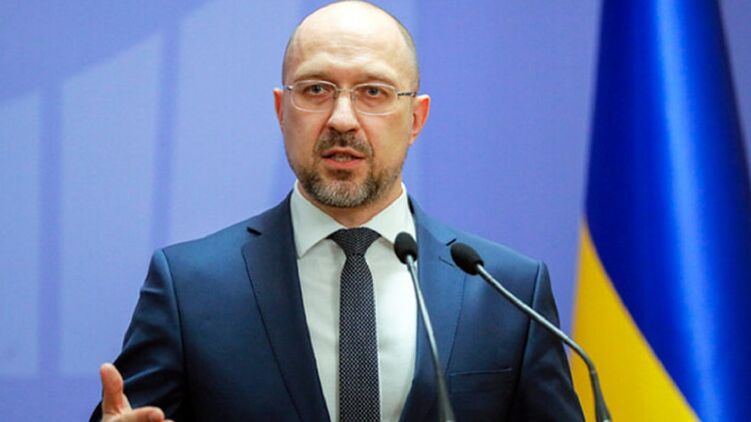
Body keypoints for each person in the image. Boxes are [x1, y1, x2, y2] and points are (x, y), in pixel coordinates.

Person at [92, 1, 584, 421]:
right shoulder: (190, 286)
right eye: (316, 90)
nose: (342, 119)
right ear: (281, 111)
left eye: (373, 92)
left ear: (416, 119)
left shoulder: (504, 291)